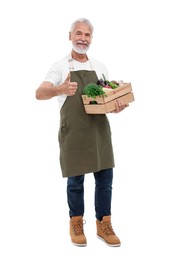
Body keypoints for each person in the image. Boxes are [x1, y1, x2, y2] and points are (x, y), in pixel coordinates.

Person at [35, 18, 128, 247]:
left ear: (91, 39)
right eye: (78, 34)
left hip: (99, 131)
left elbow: (104, 100)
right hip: (74, 132)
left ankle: (103, 224)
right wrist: (60, 89)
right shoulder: (60, 66)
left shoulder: (100, 67)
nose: (82, 39)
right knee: (75, 181)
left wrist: (117, 105)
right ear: (70, 36)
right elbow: (39, 93)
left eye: (87, 35)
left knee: (105, 181)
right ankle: (76, 223)